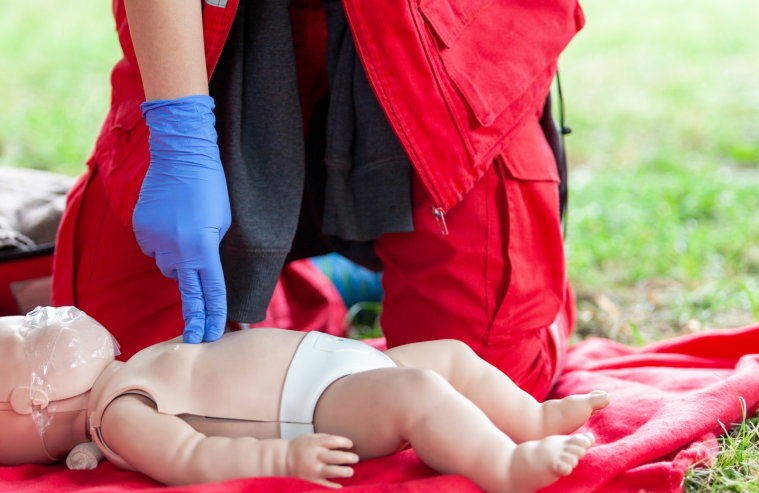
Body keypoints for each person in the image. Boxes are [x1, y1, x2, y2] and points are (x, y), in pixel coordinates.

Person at [51, 0, 586, 399]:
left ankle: (347, 271)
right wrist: (179, 130)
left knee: (487, 392)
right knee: (107, 381)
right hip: (218, 40)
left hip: (429, 40)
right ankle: (301, 289)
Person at [0, 307, 609, 493]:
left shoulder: (126, 373)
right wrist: (284, 460)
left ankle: (528, 417)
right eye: (31, 336)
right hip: (319, 403)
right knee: (419, 393)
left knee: (448, 356)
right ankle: (503, 468)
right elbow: (192, 456)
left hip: (336, 363)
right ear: (33, 401)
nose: (43, 320)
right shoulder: (119, 415)